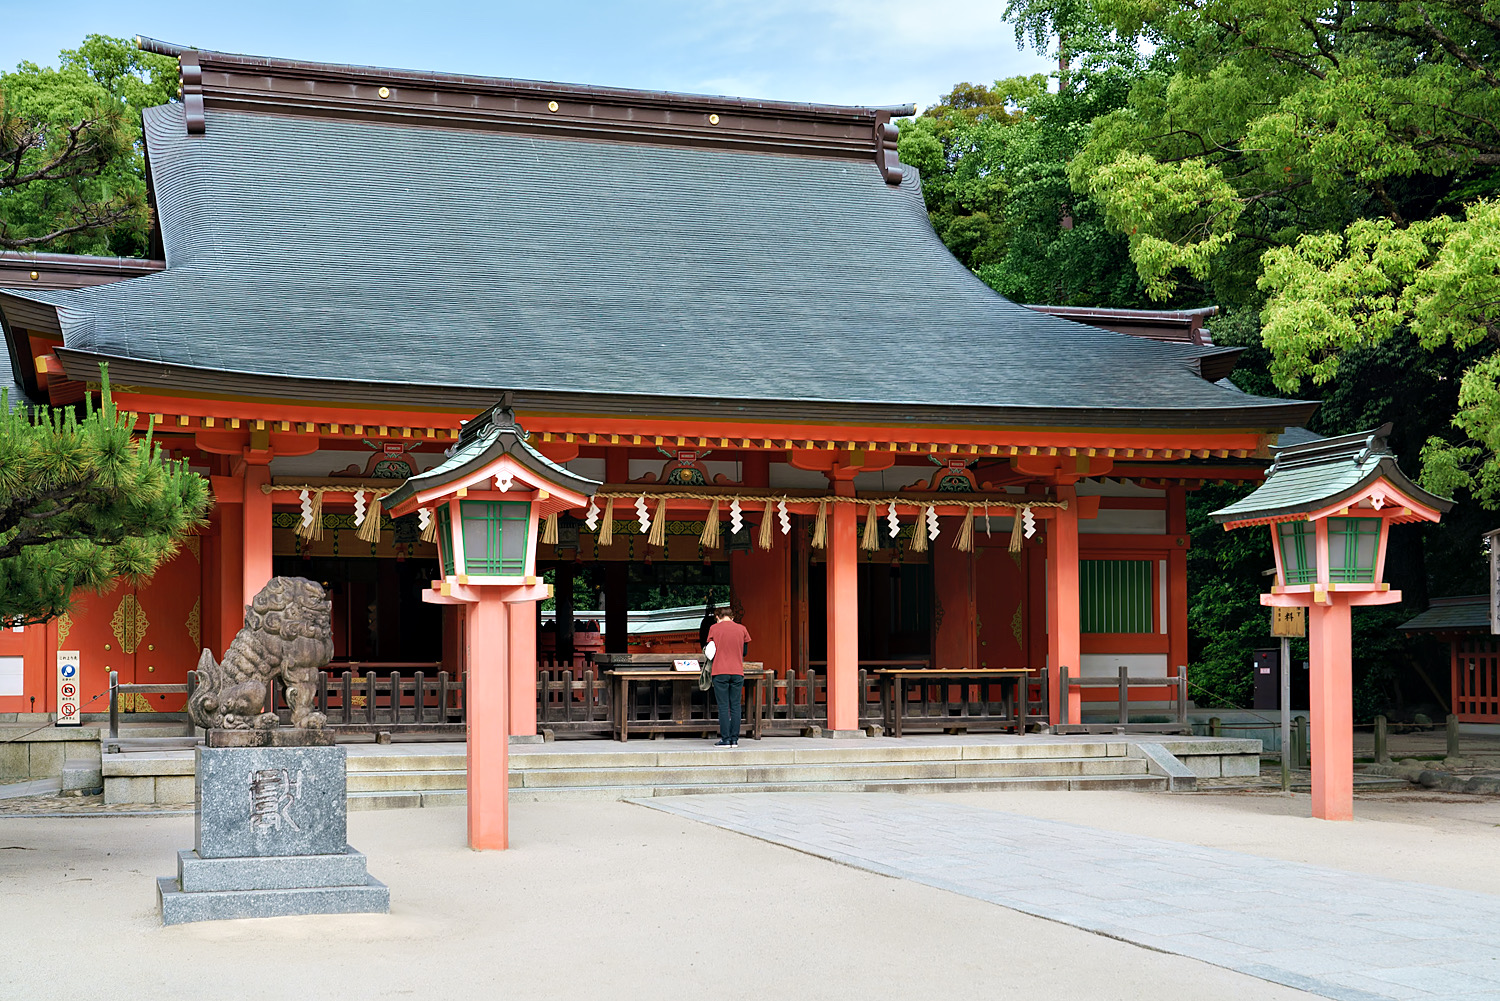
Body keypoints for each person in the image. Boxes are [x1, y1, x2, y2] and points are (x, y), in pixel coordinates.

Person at [705, 607, 751, 748]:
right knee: (736, 706)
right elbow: (744, 652)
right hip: (737, 671)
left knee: (724, 706)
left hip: (720, 671)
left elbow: (709, 650)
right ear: (732, 617)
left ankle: (725, 739)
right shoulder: (742, 629)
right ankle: (734, 739)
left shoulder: (714, 628)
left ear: (718, 616)